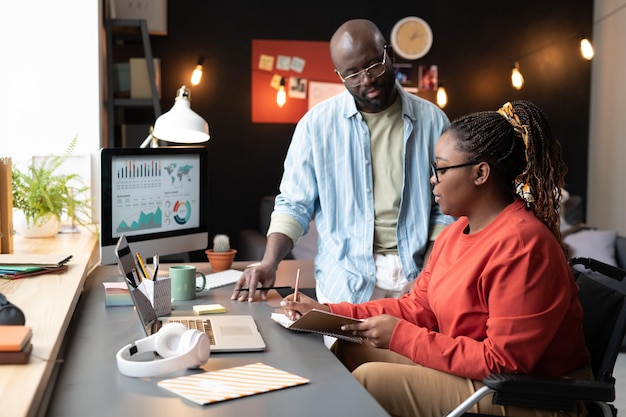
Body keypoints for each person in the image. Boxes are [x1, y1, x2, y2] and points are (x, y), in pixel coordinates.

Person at [280, 100, 592, 417]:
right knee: (350, 348)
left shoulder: (523, 245)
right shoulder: (455, 232)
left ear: (481, 173)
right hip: (485, 374)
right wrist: (328, 311)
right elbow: (418, 306)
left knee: (371, 381)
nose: (433, 180)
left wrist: (401, 336)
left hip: (536, 393)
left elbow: (504, 361)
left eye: (440, 169)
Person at [232, 19, 453, 304]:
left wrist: (430, 273)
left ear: (390, 54)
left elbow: (446, 207)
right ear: (339, 75)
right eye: (353, 74)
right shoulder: (316, 125)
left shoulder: (433, 121)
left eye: (374, 65)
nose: (367, 80)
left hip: (418, 277)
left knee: (414, 350)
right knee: (345, 351)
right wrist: (268, 263)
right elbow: (294, 204)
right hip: (345, 284)